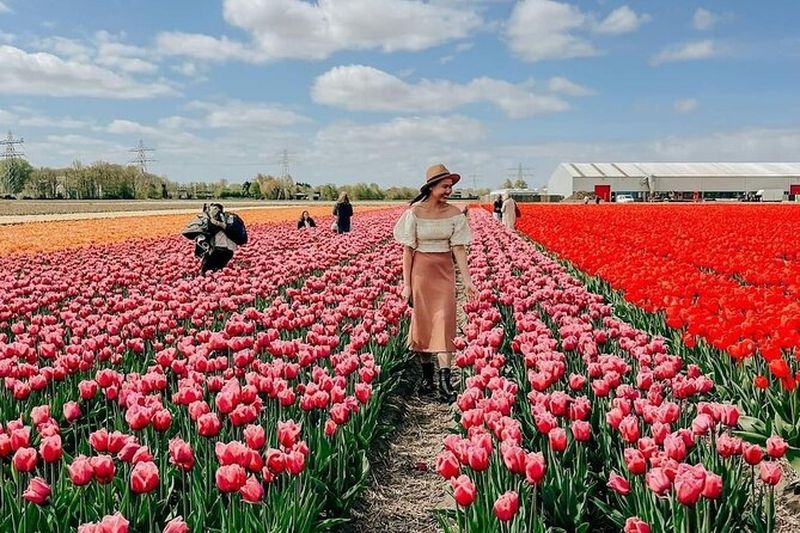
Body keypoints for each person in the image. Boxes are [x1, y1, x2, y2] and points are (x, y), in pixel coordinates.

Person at [393, 163, 477, 403]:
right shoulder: (414, 213)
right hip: (420, 273)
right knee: (423, 323)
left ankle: (445, 382)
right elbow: (407, 251)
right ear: (431, 187)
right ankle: (428, 379)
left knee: (444, 322)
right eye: (445, 186)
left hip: (444, 272)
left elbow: (459, 249)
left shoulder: (454, 215)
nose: (449, 190)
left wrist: (468, 281)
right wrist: (406, 284)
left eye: (451, 186)